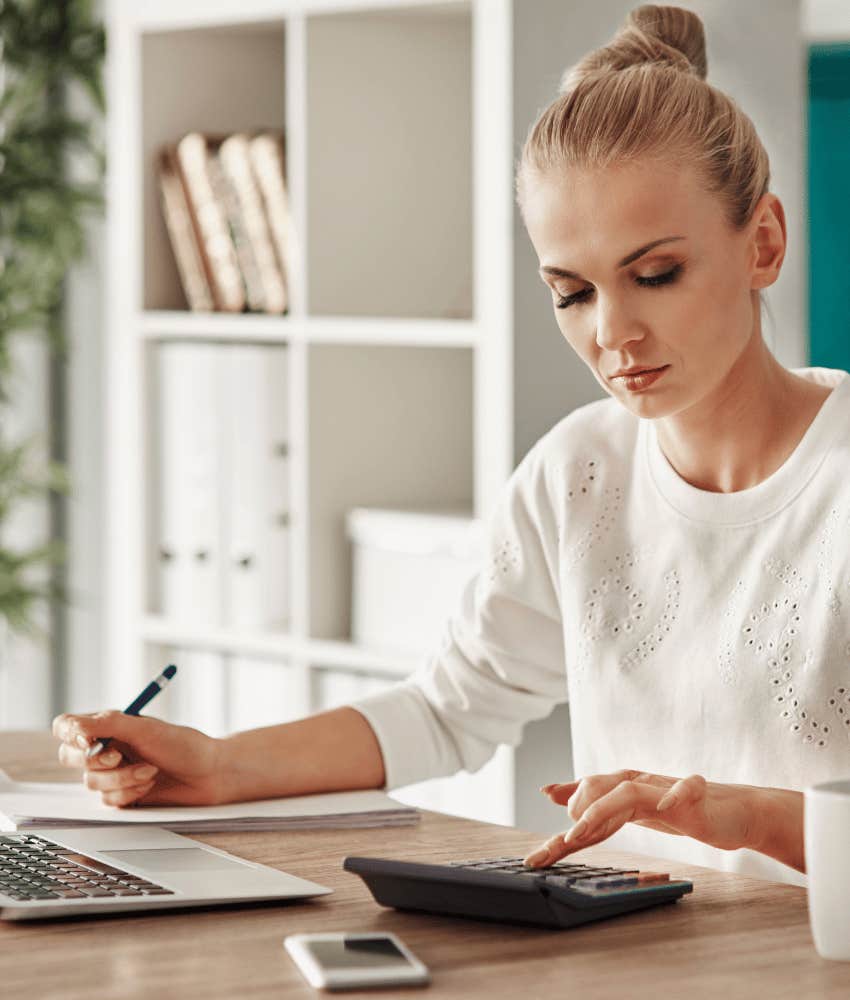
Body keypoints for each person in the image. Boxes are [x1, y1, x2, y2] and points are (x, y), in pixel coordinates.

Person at [54, 5, 847, 888]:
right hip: (635, 952)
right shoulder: (579, 474)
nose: (612, 332)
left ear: (763, 243)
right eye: (572, 292)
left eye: (655, 274)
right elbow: (446, 709)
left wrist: (750, 818)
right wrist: (217, 765)